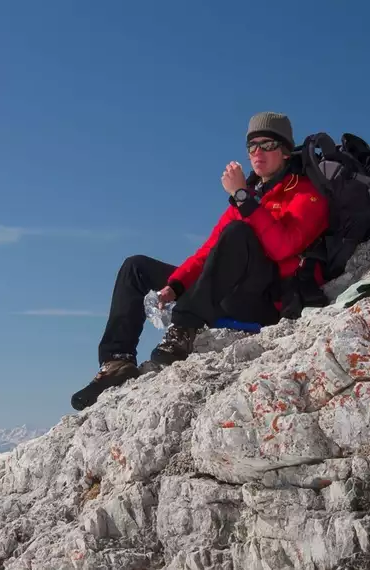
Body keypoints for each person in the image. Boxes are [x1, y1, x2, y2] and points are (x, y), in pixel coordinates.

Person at [70, 112, 330, 411]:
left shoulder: (306, 194)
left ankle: (184, 327)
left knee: (238, 231)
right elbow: (208, 252)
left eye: (267, 144)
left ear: (285, 150)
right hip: (224, 290)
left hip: (266, 300)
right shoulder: (249, 197)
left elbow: (283, 248)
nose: (257, 152)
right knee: (136, 267)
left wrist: (243, 198)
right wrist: (176, 286)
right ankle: (117, 361)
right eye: (252, 146)